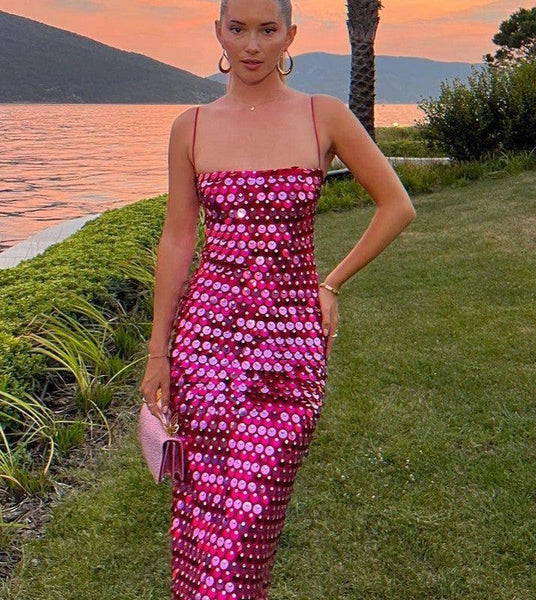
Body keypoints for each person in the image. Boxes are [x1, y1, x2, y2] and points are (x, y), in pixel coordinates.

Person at [139, 0, 416, 597]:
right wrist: (159, 351)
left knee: (251, 519)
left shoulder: (323, 116)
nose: (252, 45)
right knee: (203, 516)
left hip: (290, 350)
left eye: (267, 30)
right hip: (204, 348)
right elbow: (178, 239)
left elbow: (397, 206)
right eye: (238, 29)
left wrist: (331, 283)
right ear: (218, 32)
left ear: (290, 35)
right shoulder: (191, 126)